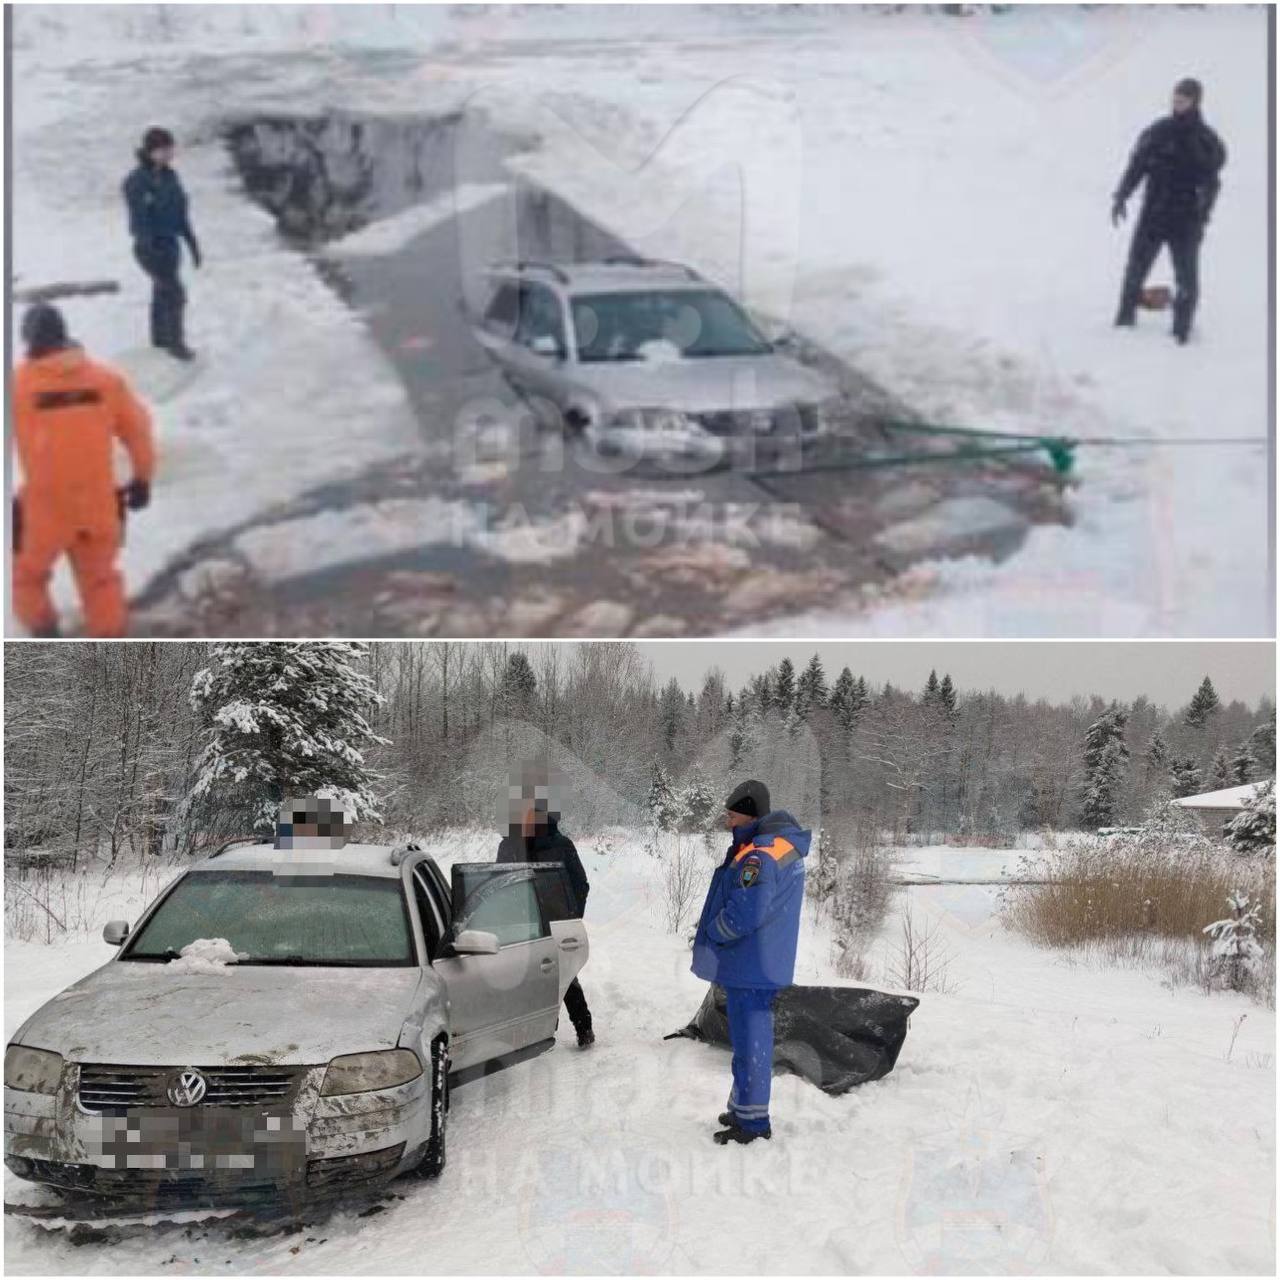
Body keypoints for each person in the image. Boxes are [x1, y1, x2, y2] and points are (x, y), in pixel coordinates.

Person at [11, 304, 155, 638]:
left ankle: (45, 634)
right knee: (101, 579)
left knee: (25, 576)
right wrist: (142, 479)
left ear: (28, 340)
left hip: (44, 510)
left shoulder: (16, 386)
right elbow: (138, 431)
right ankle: (111, 645)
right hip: (99, 505)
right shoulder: (106, 381)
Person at [691, 780, 810, 1145]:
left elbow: (745, 913)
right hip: (763, 962)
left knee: (751, 1047)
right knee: (748, 1045)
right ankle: (742, 1109)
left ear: (749, 813)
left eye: (731, 814)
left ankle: (753, 1124)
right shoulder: (781, 849)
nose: (727, 821)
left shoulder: (758, 856)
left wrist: (714, 931)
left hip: (751, 965)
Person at [1111, 77, 1227, 344]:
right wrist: (1122, 195)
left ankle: (1181, 333)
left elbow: (1212, 182)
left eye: (1183, 100)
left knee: (1186, 277)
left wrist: (1203, 214)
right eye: (1175, 99)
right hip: (1153, 213)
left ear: (1195, 102)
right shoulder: (1158, 132)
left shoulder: (1206, 140)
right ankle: (1124, 321)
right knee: (1135, 270)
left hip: (1185, 221)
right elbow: (1137, 165)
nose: (1177, 104)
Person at [497, 779, 594, 1049]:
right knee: (521, 979)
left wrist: (570, 917)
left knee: (564, 977)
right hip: (520, 926)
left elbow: (581, 885)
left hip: (555, 924)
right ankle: (529, 1034)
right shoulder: (509, 846)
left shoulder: (561, 845)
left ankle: (583, 1028)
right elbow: (499, 886)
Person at [123, 126, 202, 361]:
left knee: (162, 291)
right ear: (150, 151)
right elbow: (139, 219)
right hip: (150, 248)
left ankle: (159, 338)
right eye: (163, 150)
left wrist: (192, 242)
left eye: (170, 149)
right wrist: (148, 245)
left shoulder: (171, 177)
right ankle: (175, 344)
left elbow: (180, 212)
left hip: (171, 245)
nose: (169, 154)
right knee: (174, 293)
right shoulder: (136, 182)